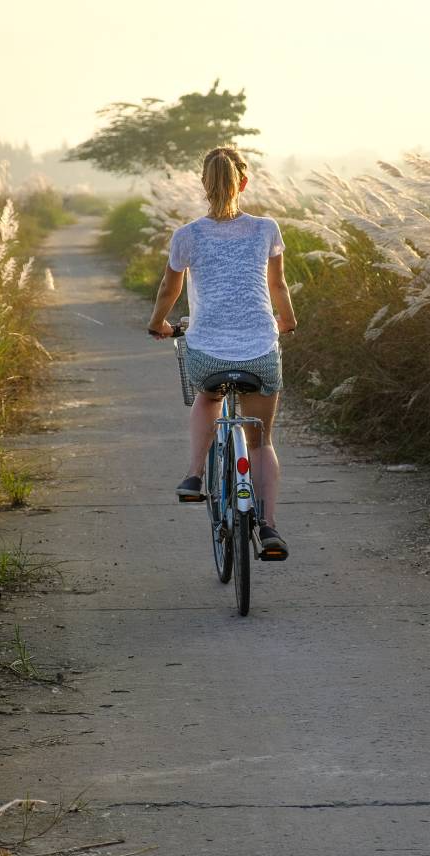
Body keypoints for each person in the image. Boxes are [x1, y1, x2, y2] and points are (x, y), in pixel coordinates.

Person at [148, 146, 296, 559]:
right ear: (243, 183)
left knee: (208, 396)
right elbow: (277, 287)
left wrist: (158, 323)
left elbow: (169, 290)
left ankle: (195, 476)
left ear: (203, 185)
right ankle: (267, 528)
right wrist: (286, 321)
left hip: (208, 351)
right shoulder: (267, 229)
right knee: (261, 440)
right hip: (260, 350)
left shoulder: (188, 235)